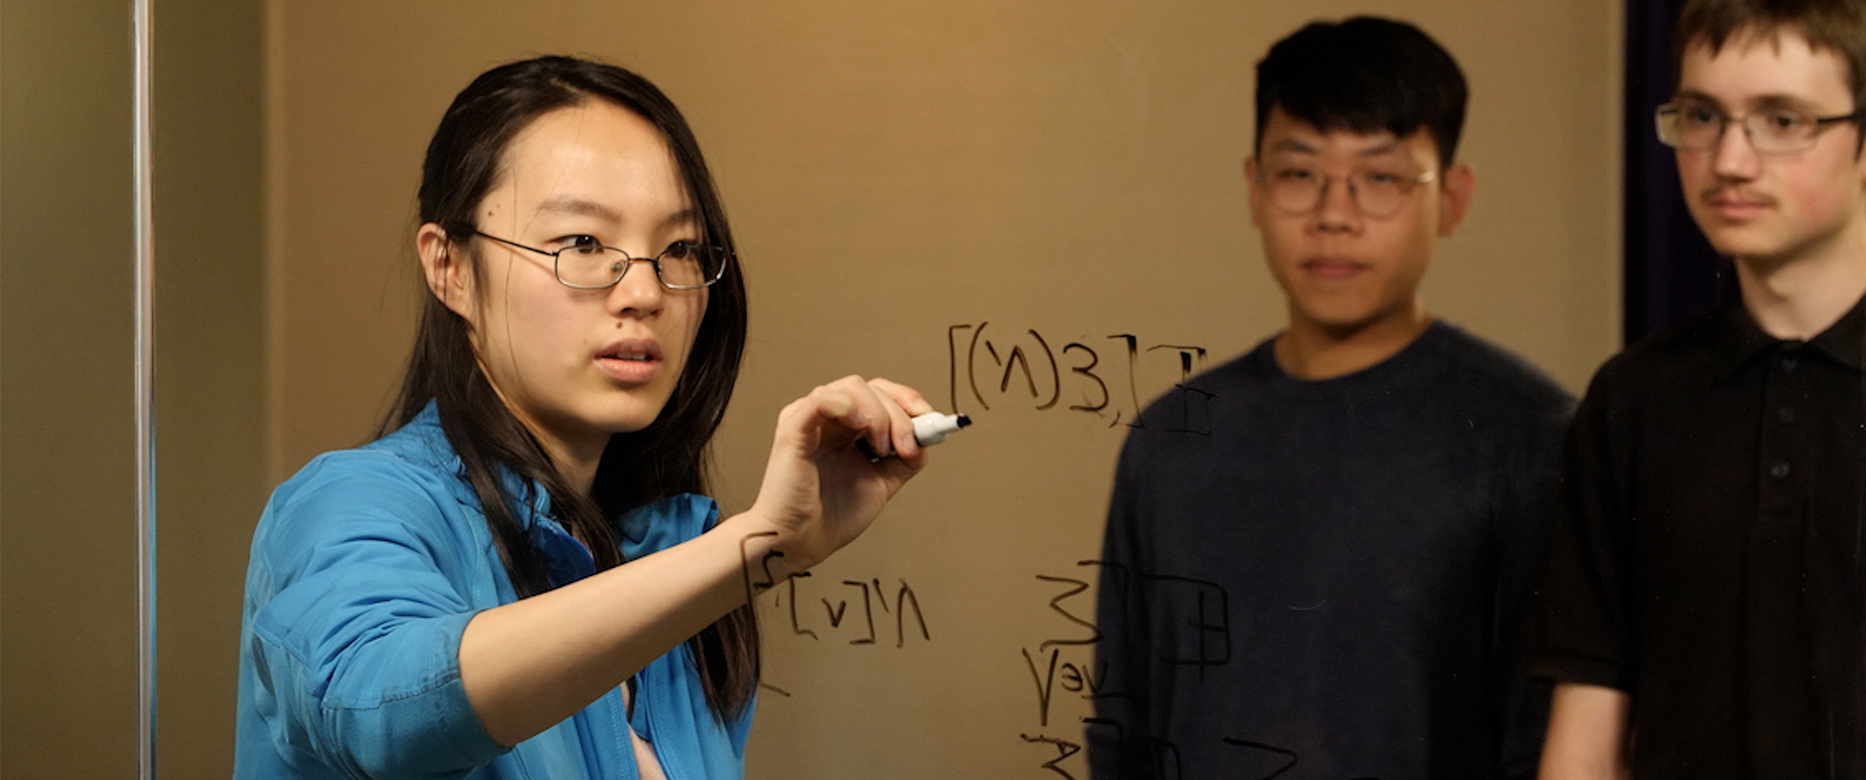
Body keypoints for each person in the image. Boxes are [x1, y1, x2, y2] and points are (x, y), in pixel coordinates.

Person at [233, 55, 939, 779]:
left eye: (679, 248)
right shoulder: (352, 502)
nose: (644, 291)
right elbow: (382, 710)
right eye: (581, 243)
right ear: (449, 267)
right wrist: (753, 547)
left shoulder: (663, 554)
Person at [1528, 1, 1866, 777]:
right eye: (1701, 115)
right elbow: (1584, 745)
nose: (1729, 161)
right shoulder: (1631, 401)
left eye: (1781, 120)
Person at [1088, 16, 1572, 780]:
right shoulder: (1176, 437)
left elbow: (1545, 741)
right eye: (1300, 172)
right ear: (1254, 187)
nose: (1334, 215)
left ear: (1451, 197)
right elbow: (1125, 728)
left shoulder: (1530, 436)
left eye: (1381, 178)